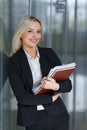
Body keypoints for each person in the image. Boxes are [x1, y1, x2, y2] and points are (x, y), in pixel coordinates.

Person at [7, 16, 72, 130]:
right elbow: (22, 98)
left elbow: (68, 85)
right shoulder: (13, 62)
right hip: (33, 120)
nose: (35, 36)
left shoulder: (49, 54)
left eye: (38, 32)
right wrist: (50, 98)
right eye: (30, 31)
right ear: (21, 33)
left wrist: (55, 86)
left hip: (58, 114)